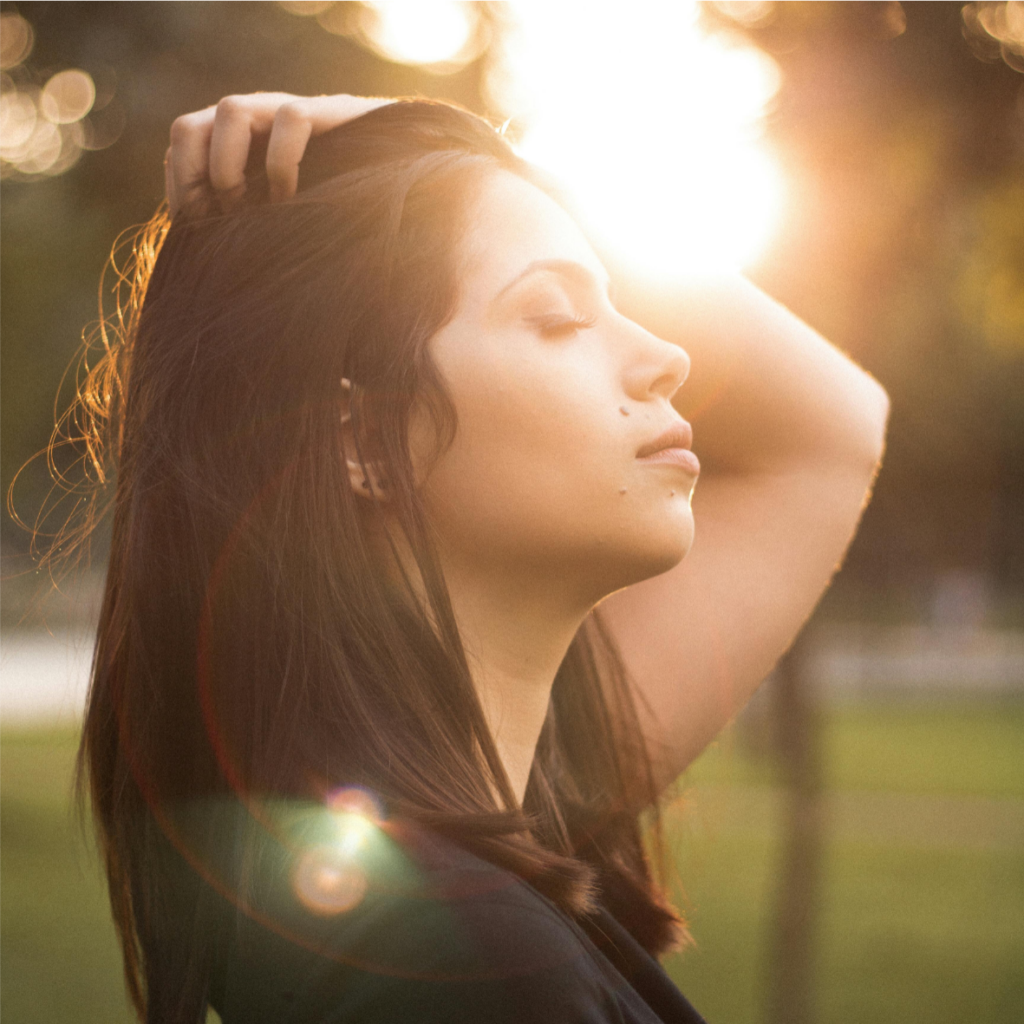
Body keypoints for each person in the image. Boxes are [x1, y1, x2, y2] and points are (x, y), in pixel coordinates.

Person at [71, 93, 889, 1023]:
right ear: (365, 442)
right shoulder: (460, 960)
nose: (666, 355)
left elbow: (833, 431)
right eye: (557, 320)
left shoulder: (481, 822)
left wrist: (465, 158)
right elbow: (829, 436)